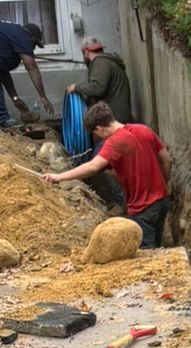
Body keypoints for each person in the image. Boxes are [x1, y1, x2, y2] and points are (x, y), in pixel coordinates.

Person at [42, 103, 172, 248]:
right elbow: (167, 159)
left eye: (96, 134)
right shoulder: (143, 129)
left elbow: (93, 167)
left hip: (143, 207)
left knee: (148, 252)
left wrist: (59, 177)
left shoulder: (114, 142)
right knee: (160, 246)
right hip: (162, 200)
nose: (98, 137)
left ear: (99, 128)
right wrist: (162, 184)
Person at [66, 38, 134, 122]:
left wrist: (76, 87)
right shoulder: (106, 62)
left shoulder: (100, 63)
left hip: (114, 120)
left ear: (86, 52)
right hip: (118, 117)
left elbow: (98, 88)